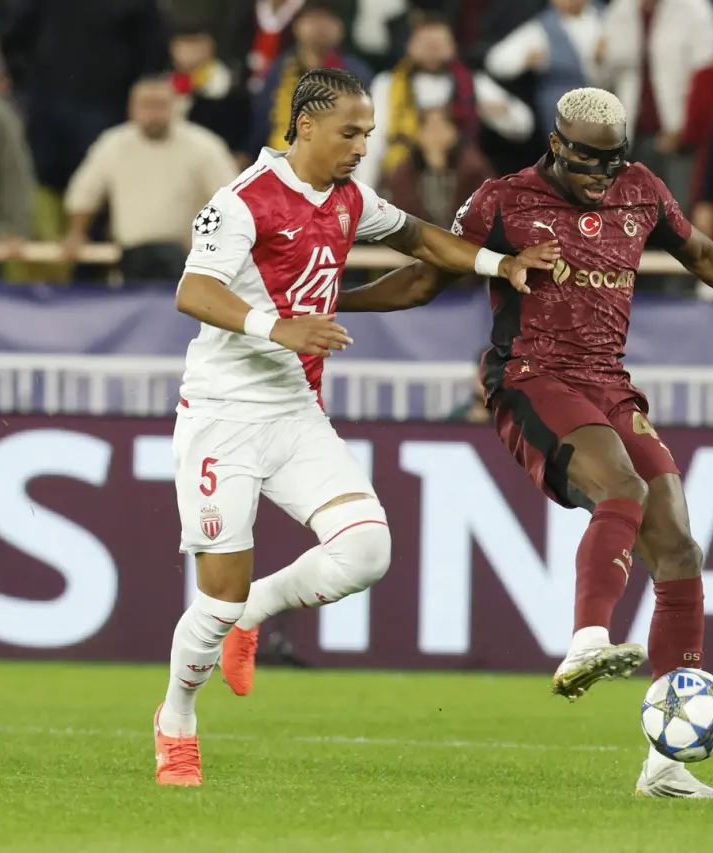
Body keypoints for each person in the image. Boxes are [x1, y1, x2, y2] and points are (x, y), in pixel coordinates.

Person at [334, 87, 713, 799]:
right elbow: (423, 280)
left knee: (679, 547)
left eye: (611, 161)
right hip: (530, 376)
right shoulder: (502, 200)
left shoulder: (641, 189)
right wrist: (332, 299)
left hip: (608, 383)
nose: (600, 176)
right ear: (556, 145)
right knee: (622, 486)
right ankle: (587, 640)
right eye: (587, 161)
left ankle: (665, 765)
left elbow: (704, 255)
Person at [154, 67, 556, 787]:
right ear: (305, 124)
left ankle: (257, 611)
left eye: (368, 133)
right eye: (350, 133)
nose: (362, 147)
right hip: (222, 417)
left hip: (294, 411)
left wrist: (502, 263)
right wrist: (278, 326)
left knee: (367, 550)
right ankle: (177, 718)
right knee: (215, 597)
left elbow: (423, 240)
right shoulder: (242, 200)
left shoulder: (350, 198)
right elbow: (194, 289)